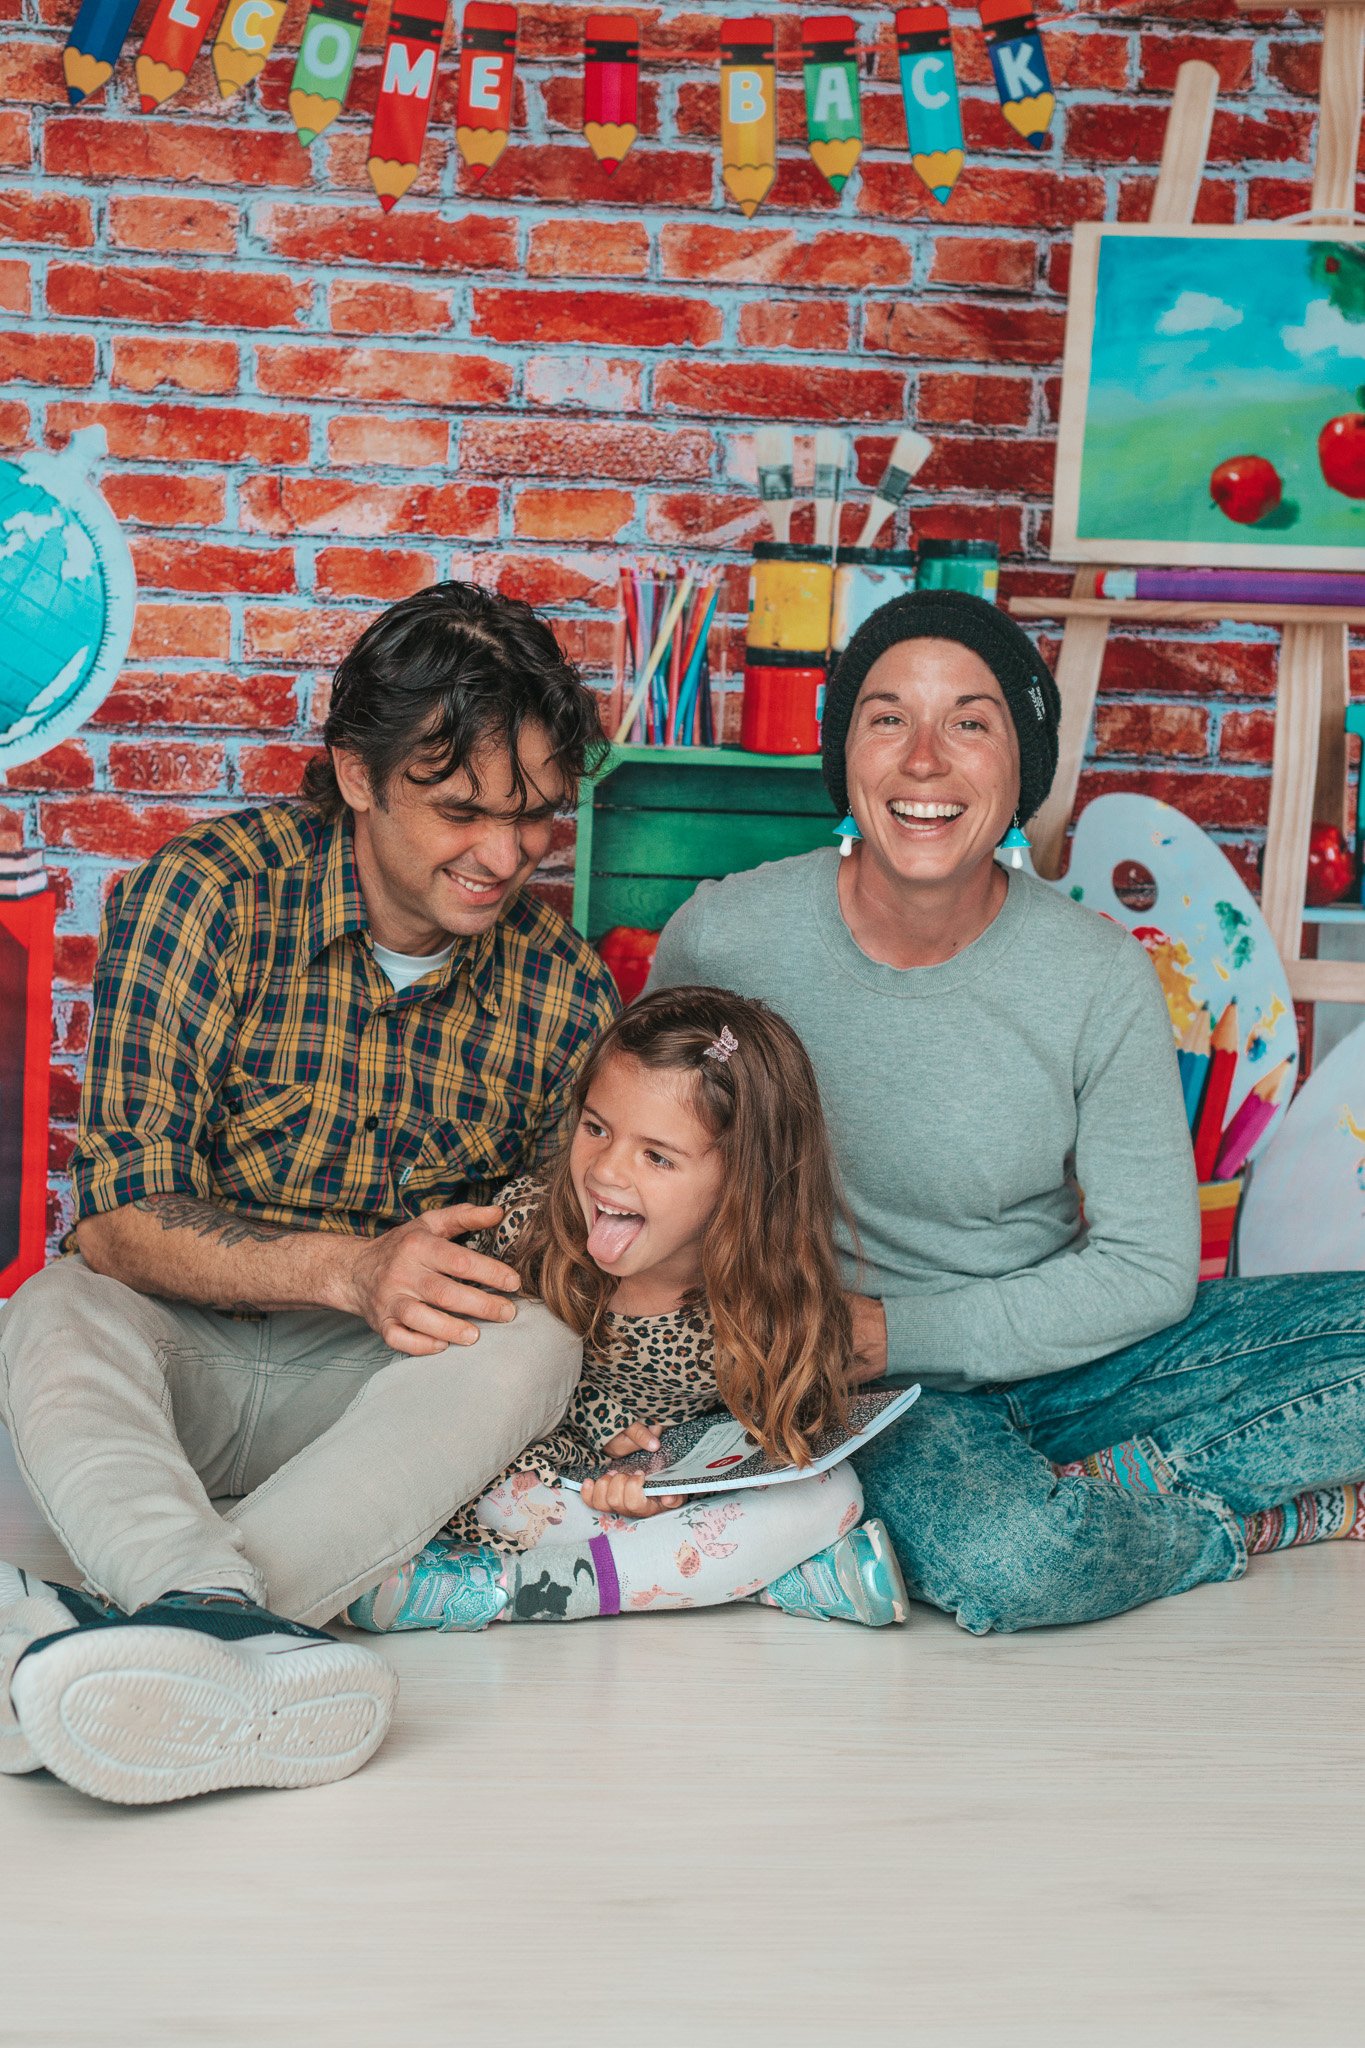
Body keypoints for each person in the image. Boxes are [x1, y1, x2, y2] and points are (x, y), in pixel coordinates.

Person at [0, 580, 621, 1803]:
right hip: (180, 1355)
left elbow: (547, 1264)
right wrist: (349, 1266)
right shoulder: (207, 894)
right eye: (461, 811)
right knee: (53, 1305)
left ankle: (139, 1632)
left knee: (539, 1342)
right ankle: (235, 1629)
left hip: (361, 1408)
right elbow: (122, 1217)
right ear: (354, 773)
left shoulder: (566, 991)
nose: (506, 855)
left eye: (539, 816)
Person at [648, 588, 1365, 1634]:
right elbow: (642, 1166)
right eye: (886, 717)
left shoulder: (1095, 974)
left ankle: (1097, 1477)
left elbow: (1150, 1269)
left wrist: (901, 1326)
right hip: (865, 1398)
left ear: (1021, 762)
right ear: (844, 753)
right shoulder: (724, 939)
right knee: (1018, 1559)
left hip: (1068, 1352)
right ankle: (1235, 1519)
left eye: (970, 721)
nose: (924, 758)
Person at [344, 987, 907, 1634]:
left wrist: (668, 1487)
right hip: (535, 1477)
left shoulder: (768, 1301)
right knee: (496, 1495)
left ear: (740, 1182)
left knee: (831, 1494)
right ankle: (749, 1579)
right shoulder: (527, 1231)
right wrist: (604, 1429)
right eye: (595, 1129)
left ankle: (536, 1581)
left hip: (654, 1501)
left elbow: (765, 1439)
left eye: (656, 1156)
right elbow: (457, 1382)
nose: (606, 1171)